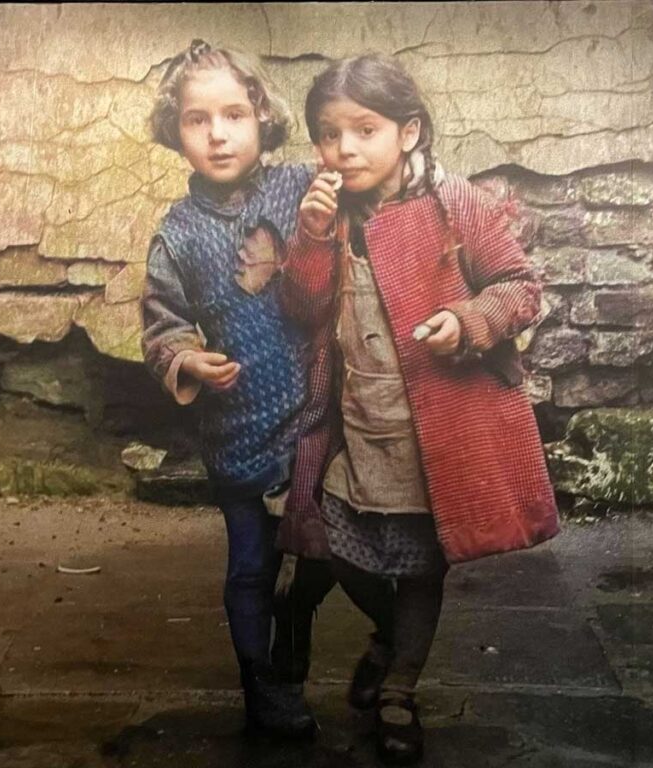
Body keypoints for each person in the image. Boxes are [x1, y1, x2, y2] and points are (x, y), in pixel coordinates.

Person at [278, 53, 561, 765]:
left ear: (408, 132)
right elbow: (302, 308)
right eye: (328, 133)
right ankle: (389, 639)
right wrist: (310, 238)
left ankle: (401, 684)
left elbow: (520, 287)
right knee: (342, 552)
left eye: (364, 130)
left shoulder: (456, 204)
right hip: (355, 429)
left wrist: (469, 322)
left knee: (422, 570)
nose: (344, 150)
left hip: (434, 433)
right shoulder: (326, 212)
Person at [140, 39, 321, 739]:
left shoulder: (299, 186)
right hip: (239, 429)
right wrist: (189, 361)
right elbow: (161, 325)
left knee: (327, 556)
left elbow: (354, 224)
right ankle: (263, 686)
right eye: (196, 119)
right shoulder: (177, 235)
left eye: (234, 115)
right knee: (250, 566)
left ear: (262, 119)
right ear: (174, 131)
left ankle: (296, 640)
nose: (218, 134)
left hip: (316, 418)